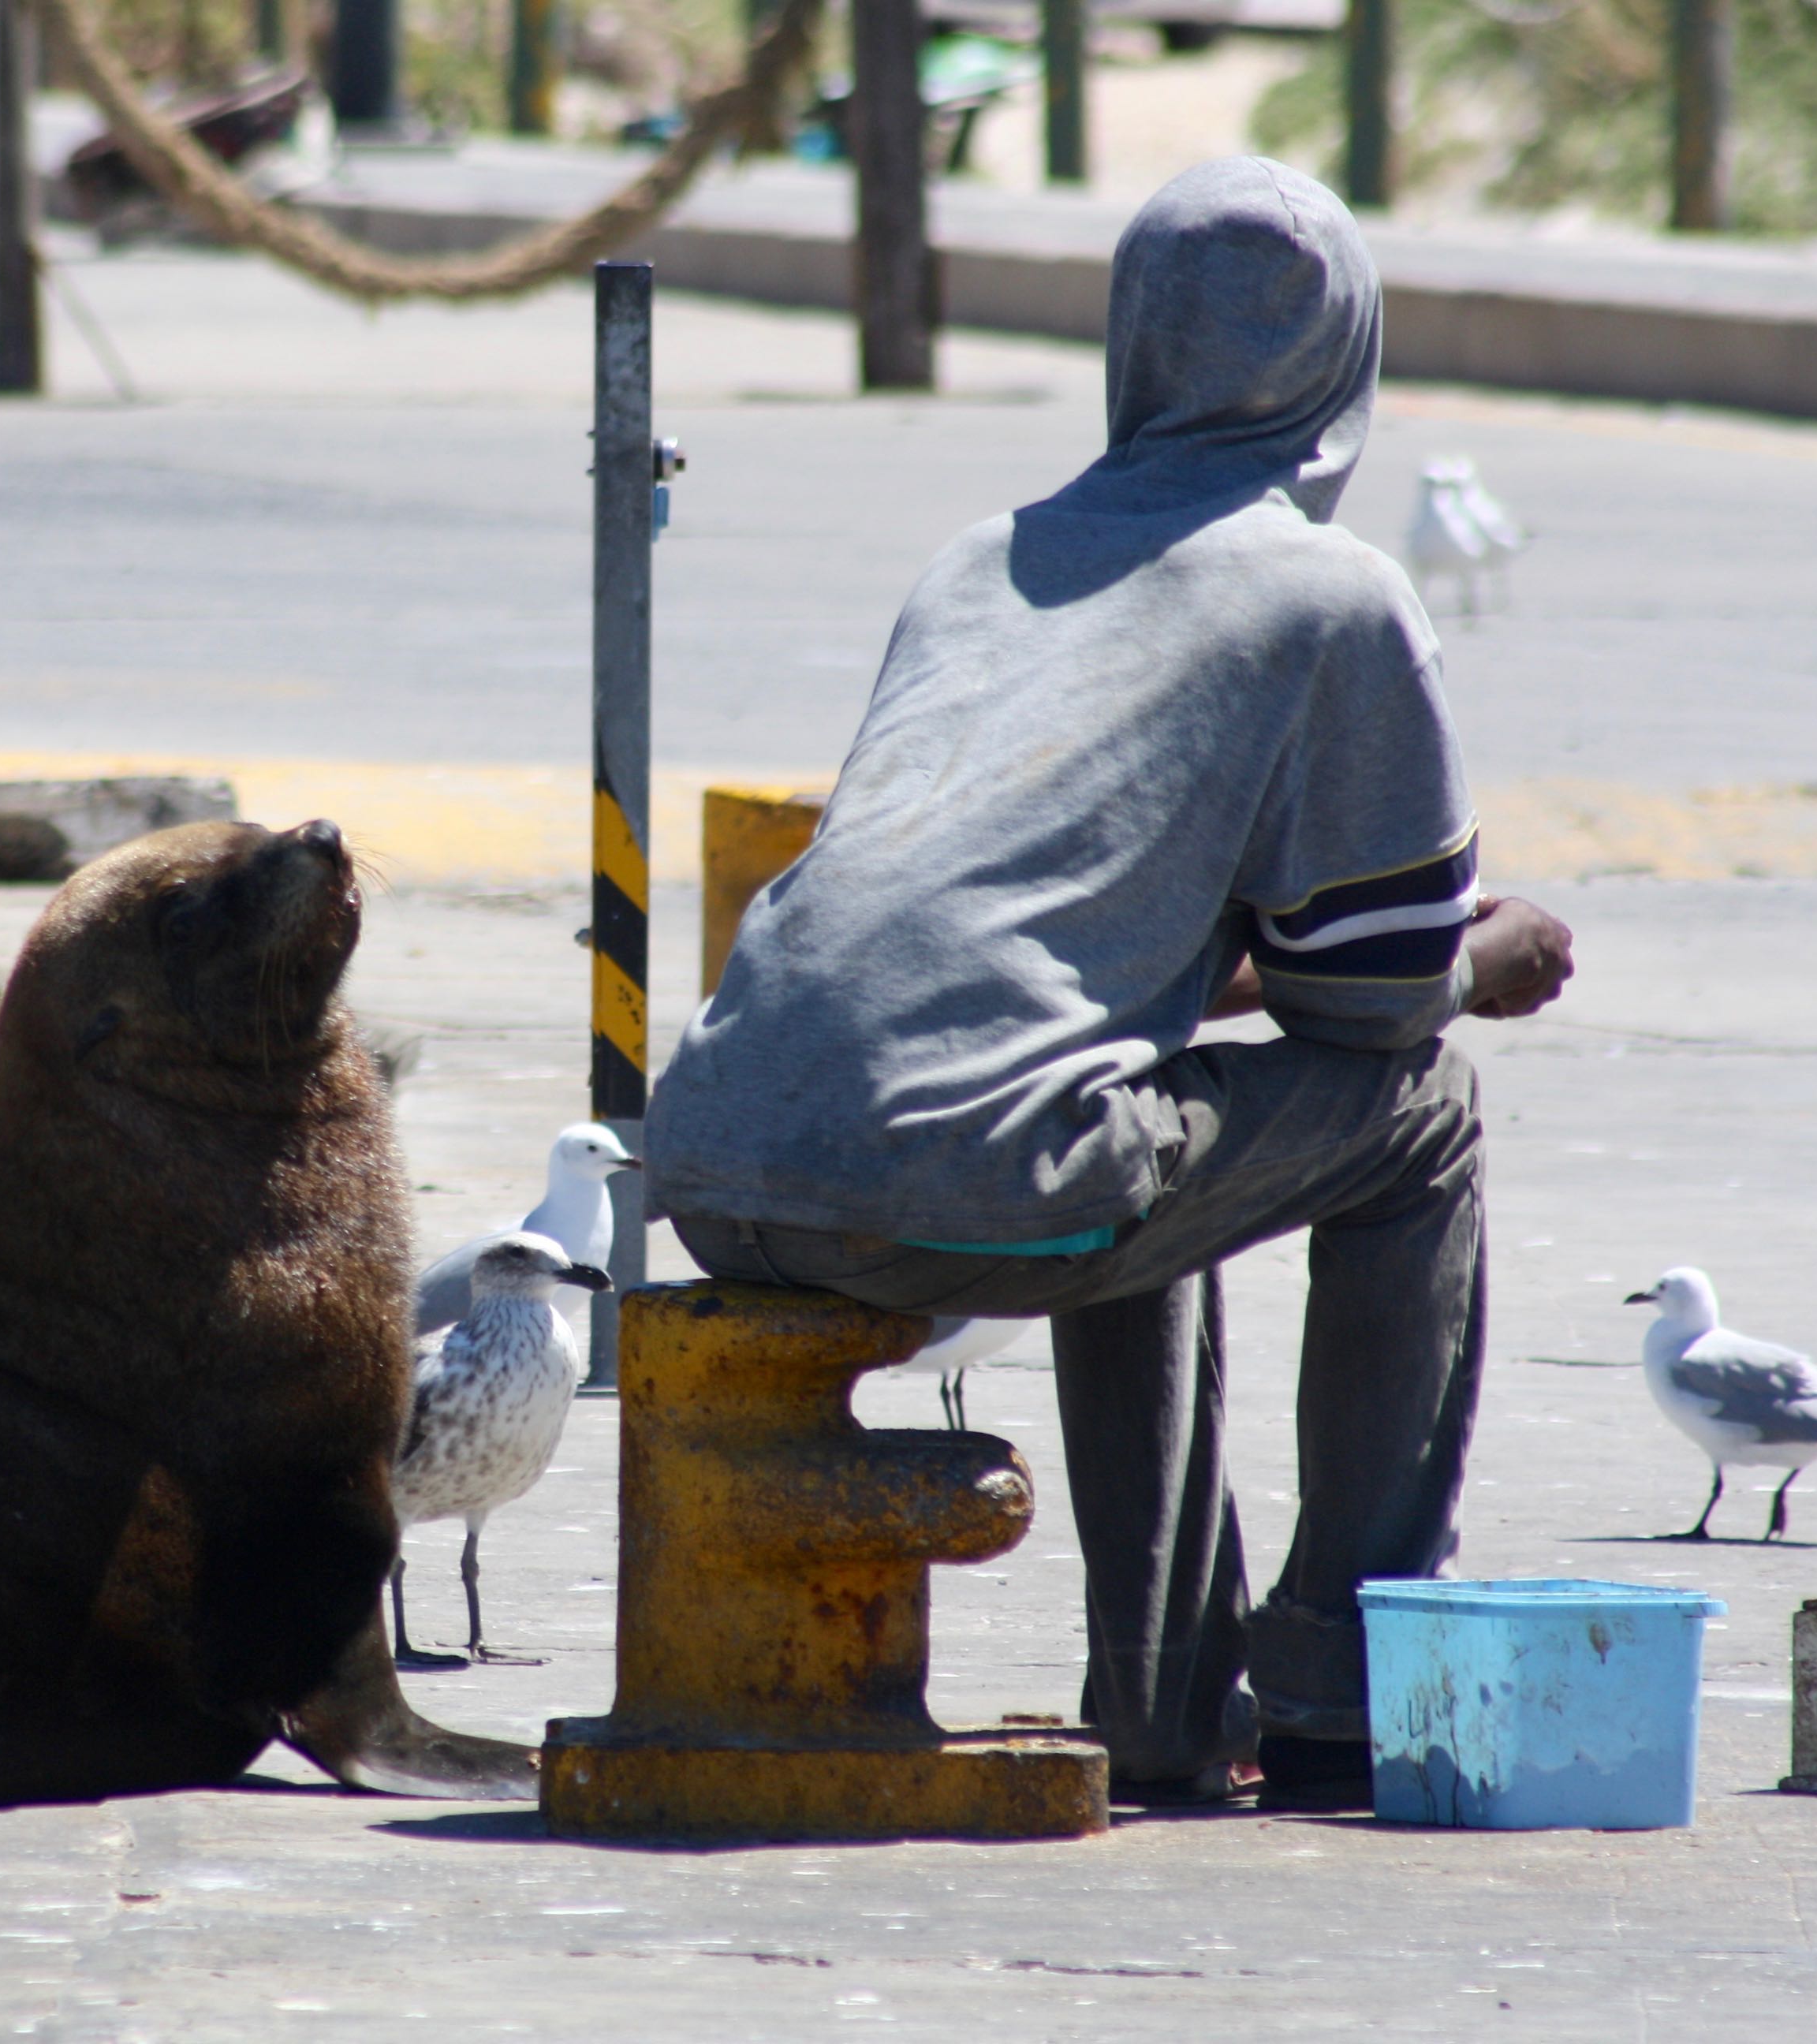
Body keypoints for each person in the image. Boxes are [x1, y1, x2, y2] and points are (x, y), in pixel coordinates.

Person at [645, 156, 1576, 1809]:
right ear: (1346, 361)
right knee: (1424, 1111)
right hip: (962, 1183)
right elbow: (1369, 1012)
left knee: (1124, 1106)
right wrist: (1479, 959)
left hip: (719, 1160)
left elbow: (1017, 956)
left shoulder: (980, 559)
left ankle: (1164, 1706)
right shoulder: (1330, 591)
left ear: (1132, 340)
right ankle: (1337, 1697)